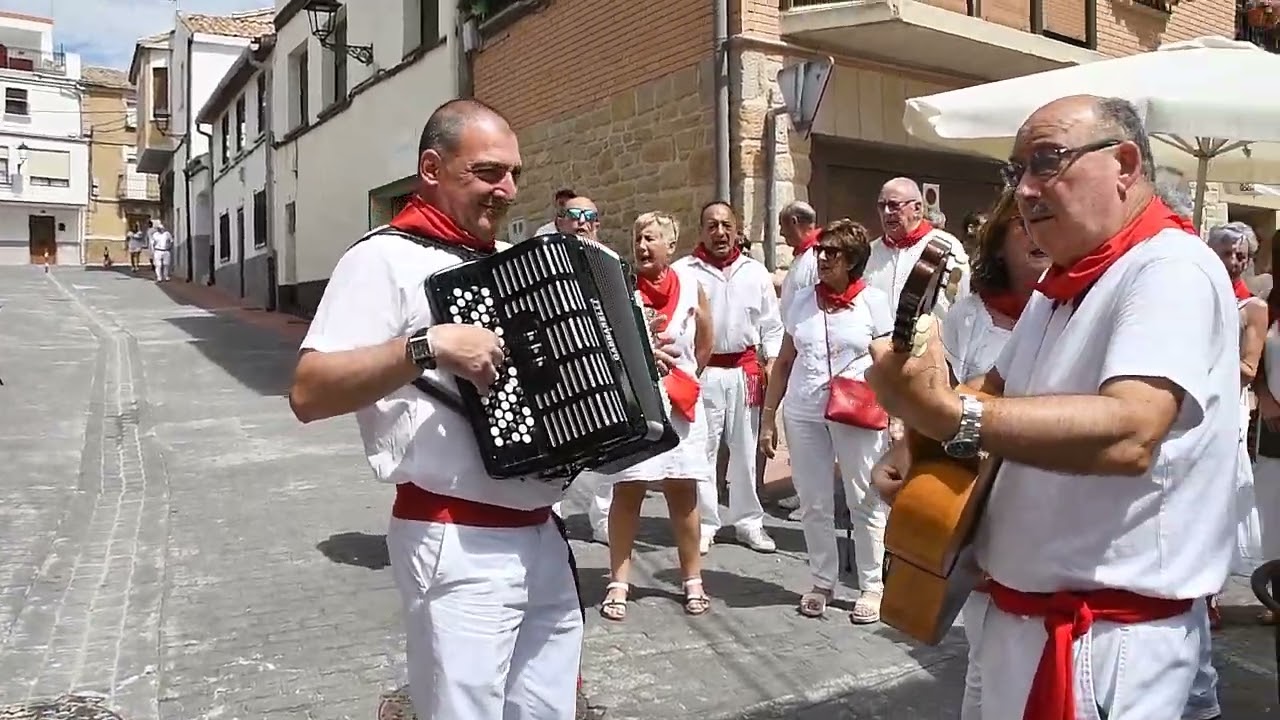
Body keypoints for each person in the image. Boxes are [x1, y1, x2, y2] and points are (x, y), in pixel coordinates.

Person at [288, 99, 678, 720]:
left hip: (541, 535)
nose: (508, 189)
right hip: (456, 540)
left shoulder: (503, 266)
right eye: (489, 172)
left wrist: (628, 367)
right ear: (432, 168)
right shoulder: (381, 257)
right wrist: (427, 345)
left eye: (514, 174)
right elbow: (308, 391)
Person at [866, 95, 1238, 720]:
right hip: (1043, 629)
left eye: (1047, 162)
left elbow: (1130, 431)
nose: (1027, 191)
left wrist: (953, 417)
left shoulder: (1170, 268)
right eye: (1016, 173)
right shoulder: (1069, 278)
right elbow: (998, 385)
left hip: (1102, 648)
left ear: (1124, 164)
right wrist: (917, 437)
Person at [938, 189, 1050, 719]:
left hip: (1052, 493)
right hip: (982, 482)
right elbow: (957, 391)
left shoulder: (1068, 304)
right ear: (999, 241)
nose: (1037, 232)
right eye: (1022, 223)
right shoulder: (969, 312)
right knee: (985, 648)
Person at [758, 218, 893, 624]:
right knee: (813, 500)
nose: (821, 259)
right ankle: (822, 580)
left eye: (831, 253)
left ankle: (872, 585)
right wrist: (768, 419)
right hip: (803, 410)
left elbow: (887, 364)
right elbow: (783, 362)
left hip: (856, 409)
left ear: (852, 260)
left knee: (863, 498)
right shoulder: (800, 301)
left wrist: (898, 415)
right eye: (819, 251)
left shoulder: (873, 301)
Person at [598, 211, 714, 621]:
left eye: (650, 239)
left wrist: (686, 375)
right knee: (628, 490)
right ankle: (618, 581)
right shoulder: (618, 289)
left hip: (679, 403)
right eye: (637, 239)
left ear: (670, 244)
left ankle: (692, 580)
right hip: (636, 404)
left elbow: (705, 342)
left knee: (683, 493)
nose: (642, 247)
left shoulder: (691, 288)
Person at [673, 201, 784, 555]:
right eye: (711, 225)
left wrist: (771, 365)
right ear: (701, 231)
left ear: (736, 230)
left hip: (744, 371)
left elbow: (772, 325)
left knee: (745, 451)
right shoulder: (684, 271)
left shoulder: (755, 272)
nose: (719, 232)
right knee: (703, 450)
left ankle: (749, 521)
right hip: (703, 372)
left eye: (726, 225)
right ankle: (706, 522)